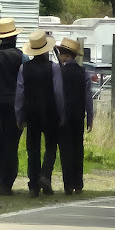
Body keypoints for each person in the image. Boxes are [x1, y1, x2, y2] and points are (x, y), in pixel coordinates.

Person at [15, 29, 65, 197]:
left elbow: (20, 93)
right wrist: (61, 113)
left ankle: (34, 184)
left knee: (33, 149)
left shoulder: (24, 68)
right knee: (51, 146)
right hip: (50, 111)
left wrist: (19, 115)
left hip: (31, 112)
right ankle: (45, 175)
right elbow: (58, 93)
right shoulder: (54, 68)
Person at [0, 18, 24, 196]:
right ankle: (8, 182)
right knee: (12, 144)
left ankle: (1, 178)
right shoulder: (22, 57)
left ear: (0, 38)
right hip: (15, 105)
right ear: (14, 37)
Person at [57, 37, 93, 195]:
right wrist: (90, 117)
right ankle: (78, 183)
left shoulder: (59, 72)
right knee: (78, 147)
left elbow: (58, 94)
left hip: (63, 115)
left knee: (65, 149)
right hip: (78, 114)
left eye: (60, 53)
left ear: (65, 55)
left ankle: (68, 185)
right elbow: (88, 97)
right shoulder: (83, 72)